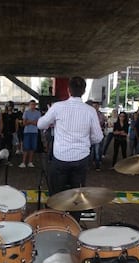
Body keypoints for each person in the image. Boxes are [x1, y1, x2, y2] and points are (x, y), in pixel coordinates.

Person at [37, 76, 103, 204]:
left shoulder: (57, 107)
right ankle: (73, 221)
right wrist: (85, 141)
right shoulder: (90, 111)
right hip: (81, 158)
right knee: (77, 197)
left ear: (68, 90)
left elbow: (40, 124)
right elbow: (98, 137)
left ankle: (57, 220)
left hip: (60, 157)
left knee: (57, 195)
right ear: (84, 91)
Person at [19, 100, 41, 168]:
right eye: (31, 104)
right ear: (29, 105)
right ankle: (23, 162)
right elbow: (24, 123)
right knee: (26, 147)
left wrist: (29, 121)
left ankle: (30, 162)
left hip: (34, 132)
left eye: (34, 104)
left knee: (32, 147)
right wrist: (32, 122)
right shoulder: (26, 112)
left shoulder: (38, 113)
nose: (32, 106)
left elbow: (38, 123)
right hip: (27, 132)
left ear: (35, 105)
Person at [90, 101, 106, 171]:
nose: (95, 107)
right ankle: (91, 163)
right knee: (90, 151)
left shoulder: (101, 115)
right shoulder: (89, 114)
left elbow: (104, 123)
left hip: (97, 134)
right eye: (94, 106)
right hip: (90, 135)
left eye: (96, 106)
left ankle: (97, 165)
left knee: (97, 150)